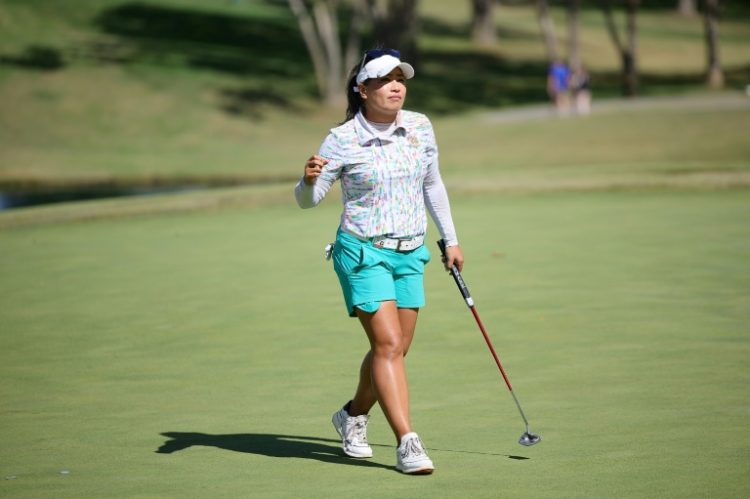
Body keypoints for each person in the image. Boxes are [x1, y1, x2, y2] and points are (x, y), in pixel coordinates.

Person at [294, 48, 464, 475]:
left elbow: (433, 184)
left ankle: (352, 415)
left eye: (400, 79)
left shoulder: (420, 127)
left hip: (410, 251)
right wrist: (307, 180)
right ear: (362, 89)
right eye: (384, 80)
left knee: (396, 349)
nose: (396, 86)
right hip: (362, 251)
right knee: (387, 346)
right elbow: (308, 201)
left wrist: (452, 239)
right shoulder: (342, 139)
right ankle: (408, 442)